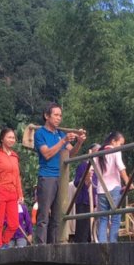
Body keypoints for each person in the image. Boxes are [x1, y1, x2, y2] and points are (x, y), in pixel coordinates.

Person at [34, 102, 85, 244]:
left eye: (60, 115)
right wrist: (63, 140)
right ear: (46, 116)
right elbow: (47, 154)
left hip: (60, 178)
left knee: (58, 215)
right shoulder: (40, 134)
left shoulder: (60, 134)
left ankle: (55, 245)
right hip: (47, 177)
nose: (58, 118)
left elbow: (70, 154)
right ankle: (40, 246)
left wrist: (79, 142)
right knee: (44, 215)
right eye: (55, 115)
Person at [0, 127, 25, 248]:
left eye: (13, 137)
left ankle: (3, 242)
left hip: (13, 191)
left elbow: (17, 177)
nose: (12, 140)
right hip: (0, 190)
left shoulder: (15, 156)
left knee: (14, 224)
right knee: (0, 222)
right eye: (9, 137)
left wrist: (20, 194)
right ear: (2, 139)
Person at [94, 132, 128, 243]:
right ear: (113, 141)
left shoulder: (98, 153)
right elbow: (121, 167)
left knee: (103, 218)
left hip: (101, 190)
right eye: (120, 144)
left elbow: (91, 170)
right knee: (115, 217)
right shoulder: (115, 151)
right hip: (114, 188)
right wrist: (128, 182)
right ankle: (113, 242)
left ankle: (102, 243)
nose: (121, 147)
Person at [71, 144, 99, 244]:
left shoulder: (97, 168)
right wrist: (85, 178)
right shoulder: (83, 165)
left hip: (93, 202)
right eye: (96, 151)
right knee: (82, 226)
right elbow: (76, 183)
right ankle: (80, 246)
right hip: (83, 200)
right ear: (90, 151)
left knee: (91, 227)